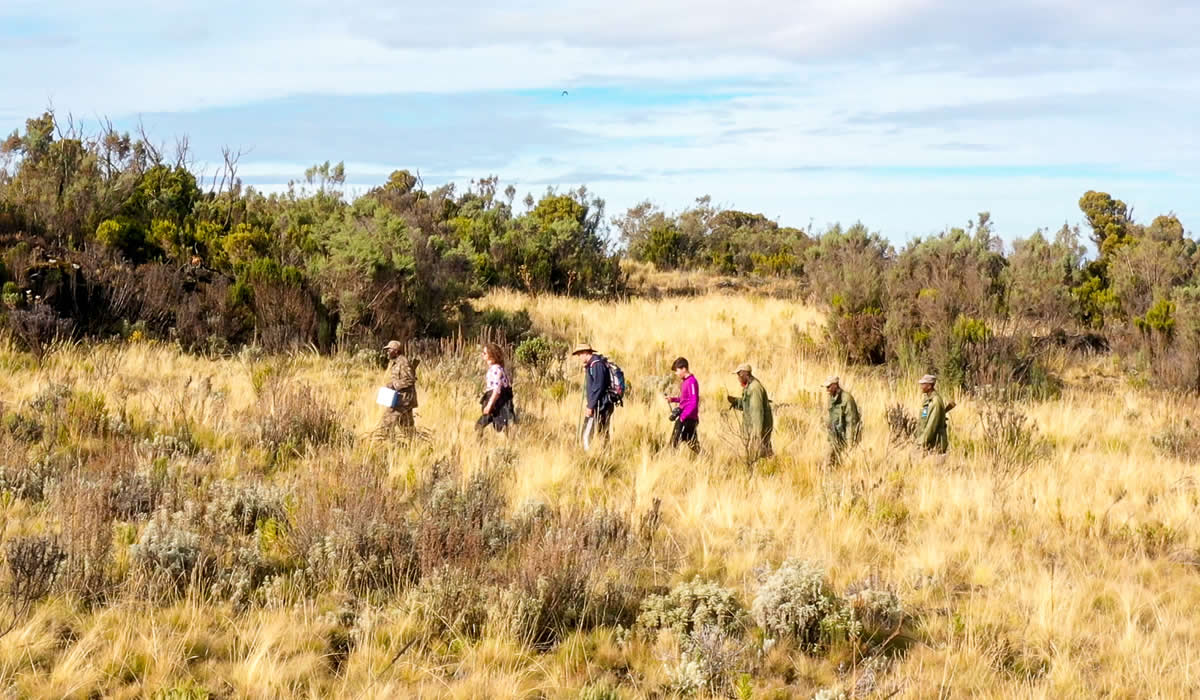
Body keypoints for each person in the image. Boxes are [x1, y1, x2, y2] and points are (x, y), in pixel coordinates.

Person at [727, 363, 773, 461]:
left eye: (739, 375)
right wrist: (736, 402)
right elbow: (748, 405)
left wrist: (757, 435)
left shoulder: (755, 388)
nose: (738, 378)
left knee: (760, 458)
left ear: (744, 374)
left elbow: (757, 412)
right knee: (763, 457)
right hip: (754, 431)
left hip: (756, 432)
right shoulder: (750, 386)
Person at [572, 342, 613, 451]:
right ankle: (605, 455)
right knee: (602, 432)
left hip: (599, 405)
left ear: (585, 353)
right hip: (600, 404)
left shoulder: (596, 365)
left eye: (580, 354)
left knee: (586, 435)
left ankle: (587, 458)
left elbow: (598, 387)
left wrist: (590, 406)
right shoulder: (593, 365)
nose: (579, 357)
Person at [377, 339, 418, 436]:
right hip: (403, 399)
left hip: (403, 401)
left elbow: (410, 380)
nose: (387, 352)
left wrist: (393, 385)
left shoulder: (403, 363)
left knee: (386, 423)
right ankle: (415, 446)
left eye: (389, 350)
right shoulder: (396, 362)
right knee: (407, 428)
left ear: (395, 351)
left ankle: (387, 445)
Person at [477, 343, 516, 435]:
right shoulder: (495, 368)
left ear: (492, 354)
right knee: (482, 426)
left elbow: (497, 390)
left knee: (500, 428)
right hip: (497, 402)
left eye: (485, 353)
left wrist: (489, 405)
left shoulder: (496, 369)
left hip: (499, 403)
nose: (482, 355)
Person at [665, 357, 700, 453]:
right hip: (685, 417)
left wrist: (682, 417)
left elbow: (693, 402)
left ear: (684, 369)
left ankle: (670, 461)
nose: (676, 374)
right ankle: (706, 459)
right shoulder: (685, 382)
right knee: (692, 444)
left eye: (677, 371)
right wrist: (672, 399)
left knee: (675, 443)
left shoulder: (692, 382)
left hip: (688, 419)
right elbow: (685, 400)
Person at [823, 376, 861, 465]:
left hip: (843, 436)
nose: (827, 389)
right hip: (833, 436)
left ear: (835, 385)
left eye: (828, 387)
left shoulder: (847, 399)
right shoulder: (831, 398)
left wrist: (850, 442)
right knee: (831, 461)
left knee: (831, 462)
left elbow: (851, 422)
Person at [917, 374, 949, 453]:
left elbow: (931, 425)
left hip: (936, 444)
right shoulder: (927, 399)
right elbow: (924, 418)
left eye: (923, 384)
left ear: (929, 386)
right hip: (929, 442)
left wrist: (922, 441)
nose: (921, 386)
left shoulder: (935, 401)